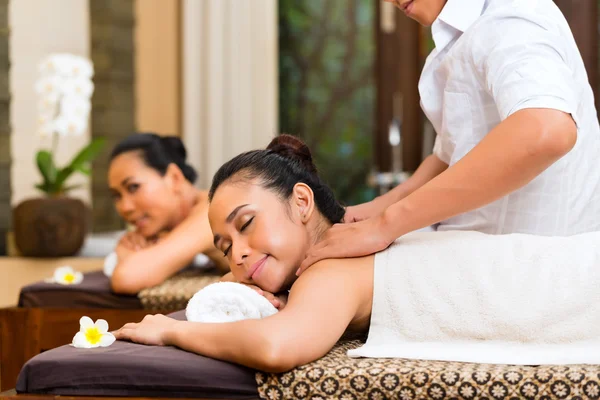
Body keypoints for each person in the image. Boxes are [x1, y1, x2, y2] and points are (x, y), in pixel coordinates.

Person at [113, 135, 600, 371]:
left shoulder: (333, 268)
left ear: (302, 201)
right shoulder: (337, 256)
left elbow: (278, 347)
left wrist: (175, 332)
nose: (237, 254)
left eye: (246, 224)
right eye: (226, 248)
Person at [297, 0, 600, 274]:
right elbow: (449, 156)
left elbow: (546, 131)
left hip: (529, 273)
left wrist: (386, 225)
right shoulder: (460, 36)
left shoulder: (509, 19)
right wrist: (377, 209)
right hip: (476, 262)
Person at [107, 133, 229, 294]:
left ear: (174, 178)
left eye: (133, 187)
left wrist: (131, 257)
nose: (125, 207)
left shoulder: (212, 210)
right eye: (117, 196)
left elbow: (126, 277)